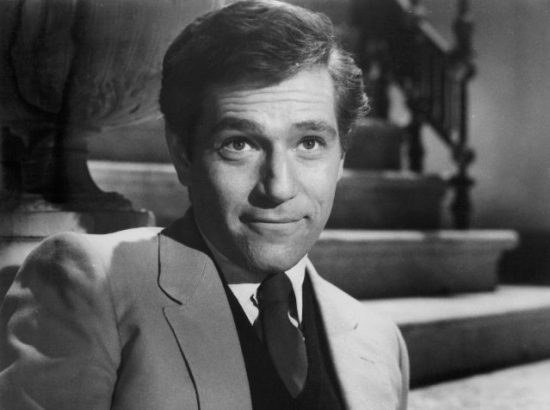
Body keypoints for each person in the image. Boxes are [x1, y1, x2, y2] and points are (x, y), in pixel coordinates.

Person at [0, 1, 409, 409]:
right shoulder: (89, 286)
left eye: (310, 143)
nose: (279, 187)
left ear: (341, 159)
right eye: (239, 144)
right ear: (183, 155)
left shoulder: (379, 339)